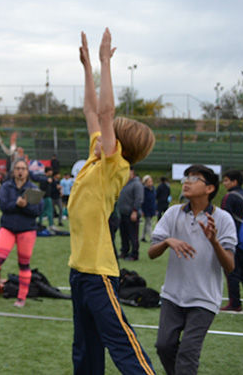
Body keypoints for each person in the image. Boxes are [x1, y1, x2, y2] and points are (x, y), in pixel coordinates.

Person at [68, 29, 157, 375]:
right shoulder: (97, 154)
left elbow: (105, 112)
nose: (103, 130)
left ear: (117, 143)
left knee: (122, 346)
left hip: (99, 273)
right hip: (80, 271)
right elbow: (93, 110)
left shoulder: (114, 164)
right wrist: (88, 65)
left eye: (109, 131)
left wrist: (106, 62)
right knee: (85, 353)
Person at [148, 164, 235, 375]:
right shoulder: (172, 213)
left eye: (195, 178)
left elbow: (230, 266)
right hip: (172, 295)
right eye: (186, 178)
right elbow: (151, 253)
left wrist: (214, 241)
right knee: (164, 346)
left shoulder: (223, 219)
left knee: (188, 352)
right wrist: (167, 241)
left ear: (210, 189)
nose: (187, 182)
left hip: (204, 299)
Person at [0, 158, 43, 307]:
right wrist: (16, 204)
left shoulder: (34, 190)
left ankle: (21, 297)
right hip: (8, 228)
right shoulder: (6, 187)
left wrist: (25, 206)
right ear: (13, 171)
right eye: (17, 168)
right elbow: (3, 207)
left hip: (27, 230)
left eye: (23, 168)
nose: (20, 171)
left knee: (24, 264)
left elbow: (37, 211)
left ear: (27, 171)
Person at [218, 169, 243, 313]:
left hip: (233, 239)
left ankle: (235, 303)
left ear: (234, 182)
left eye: (226, 180)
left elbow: (225, 219)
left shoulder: (229, 197)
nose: (224, 183)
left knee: (232, 271)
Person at [117, 167, 144, 260]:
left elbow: (139, 199)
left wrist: (135, 211)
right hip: (122, 213)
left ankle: (134, 254)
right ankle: (124, 251)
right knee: (123, 234)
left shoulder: (137, 184)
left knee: (133, 235)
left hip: (131, 213)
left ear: (132, 172)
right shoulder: (124, 183)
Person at [140, 175, 157, 242]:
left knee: (146, 223)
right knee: (148, 223)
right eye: (149, 181)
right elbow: (142, 201)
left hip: (151, 208)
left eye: (151, 181)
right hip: (146, 209)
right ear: (145, 182)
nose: (151, 183)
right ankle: (151, 237)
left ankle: (143, 237)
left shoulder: (153, 189)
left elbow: (154, 199)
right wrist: (142, 210)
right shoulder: (143, 190)